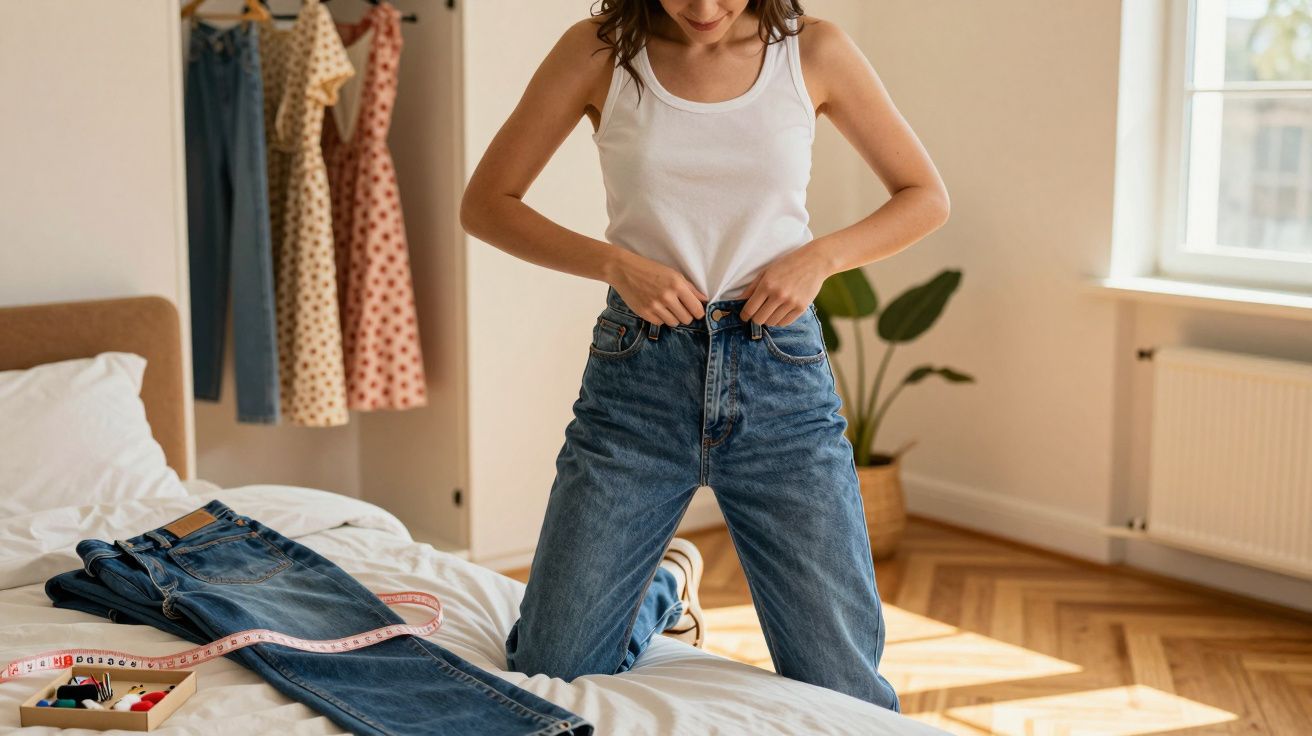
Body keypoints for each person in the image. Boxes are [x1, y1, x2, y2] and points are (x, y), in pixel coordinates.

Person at [460, 0, 949, 713]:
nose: (704, 8)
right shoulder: (597, 52)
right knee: (551, 664)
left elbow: (925, 196)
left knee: (845, 691)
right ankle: (660, 592)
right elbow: (487, 203)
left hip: (779, 377)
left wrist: (819, 259)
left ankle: (656, 586)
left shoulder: (814, 52)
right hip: (637, 380)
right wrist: (616, 264)